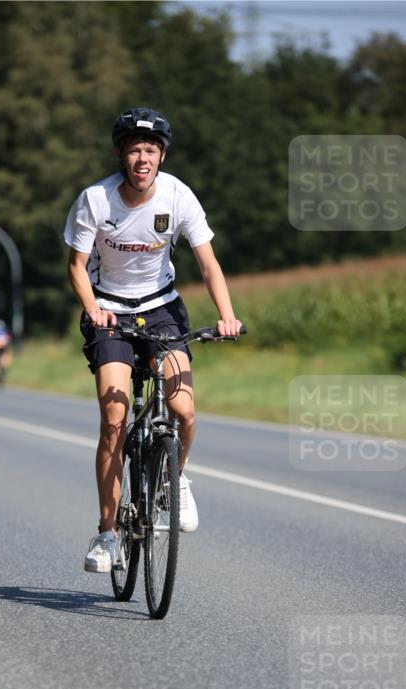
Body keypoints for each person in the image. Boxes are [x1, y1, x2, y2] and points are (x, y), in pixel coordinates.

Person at [64, 107, 241, 573]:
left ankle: (173, 479)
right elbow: (76, 267)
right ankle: (107, 534)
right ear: (121, 155)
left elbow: (208, 264)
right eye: (134, 150)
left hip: (161, 309)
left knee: (183, 409)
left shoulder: (178, 195)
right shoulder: (96, 200)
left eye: (151, 150)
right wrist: (93, 309)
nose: (142, 158)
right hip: (109, 310)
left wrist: (226, 315)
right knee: (114, 419)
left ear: (162, 155)